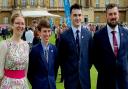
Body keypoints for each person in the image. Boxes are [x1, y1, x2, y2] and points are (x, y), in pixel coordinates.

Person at [93, 3, 128, 89]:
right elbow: (94, 57)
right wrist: (104, 70)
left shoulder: (126, 33)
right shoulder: (98, 36)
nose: (113, 16)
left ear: (118, 15)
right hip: (105, 81)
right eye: (110, 14)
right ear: (106, 16)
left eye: (115, 13)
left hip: (123, 81)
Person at [57, 3, 92, 89]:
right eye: (75, 15)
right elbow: (61, 58)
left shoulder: (88, 34)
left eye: (79, 15)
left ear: (82, 16)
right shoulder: (64, 36)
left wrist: (83, 68)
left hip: (85, 80)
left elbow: (91, 57)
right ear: (71, 16)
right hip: (70, 81)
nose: (77, 18)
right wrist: (67, 72)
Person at [0, 12, 29, 88]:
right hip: (8, 84)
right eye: (17, 23)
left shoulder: (26, 45)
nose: (20, 26)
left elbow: (26, 69)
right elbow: (0, 71)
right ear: (12, 25)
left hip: (23, 84)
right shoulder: (4, 44)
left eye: (22, 23)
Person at [27, 19, 57, 89]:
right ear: (39, 33)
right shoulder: (34, 50)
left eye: (49, 31)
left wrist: (51, 81)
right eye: (44, 31)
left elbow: (55, 69)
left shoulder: (54, 49)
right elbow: (30, 72)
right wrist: (36, 84)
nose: (47, 34)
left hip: (52, 86)